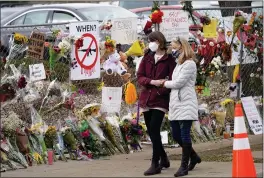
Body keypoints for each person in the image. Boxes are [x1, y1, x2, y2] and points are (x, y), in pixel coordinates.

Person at [159, 37, 202, 177]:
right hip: (177, 103)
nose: (172, 50)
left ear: (181, 47)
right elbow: (175, 82)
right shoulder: (179, 64)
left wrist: (164, 83)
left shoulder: (189, 64)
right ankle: (194, 156)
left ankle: (183, 166)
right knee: (176, 134)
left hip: (186, 102)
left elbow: (178, 83)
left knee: (184, 134)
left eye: (174, 47)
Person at [137, 31, 176, 176]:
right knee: (152, 131)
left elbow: (172, 79)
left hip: (160, 99)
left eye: (152, 41)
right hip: (146, 98)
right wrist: (152, 82)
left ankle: (156, 163)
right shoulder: (147, 57)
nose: (150, 44)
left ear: (159, 42)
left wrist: (162, 87)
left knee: (154, 128)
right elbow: (140, 77)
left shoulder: (169, 60)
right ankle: (164, 157)